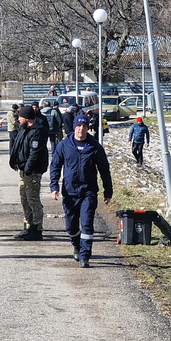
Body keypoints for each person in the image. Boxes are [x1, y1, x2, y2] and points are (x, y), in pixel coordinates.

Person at [51, 113, 113, 267]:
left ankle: (85, 256)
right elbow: (55, 166)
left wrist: (108, 192)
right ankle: (77, 246)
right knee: (70, 226)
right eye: (79, 126)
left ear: (87, 128)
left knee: (87, 224)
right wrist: (54, 186)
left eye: (84, 126)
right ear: (74, 127)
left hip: (88, 192)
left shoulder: (95, 147)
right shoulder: (64, 145)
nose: (81, 129)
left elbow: (105, 170)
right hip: (70, 192)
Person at [10, 105, 49, 240]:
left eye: (20, 116)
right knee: (24, 199)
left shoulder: (37, 131)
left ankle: (37, 229)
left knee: (33, 200)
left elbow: (34, 153)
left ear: (26, 118)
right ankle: (29, 226)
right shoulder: (24, 130)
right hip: (22, 170)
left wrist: (27, 168)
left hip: (32, 172)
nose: (18, 119)